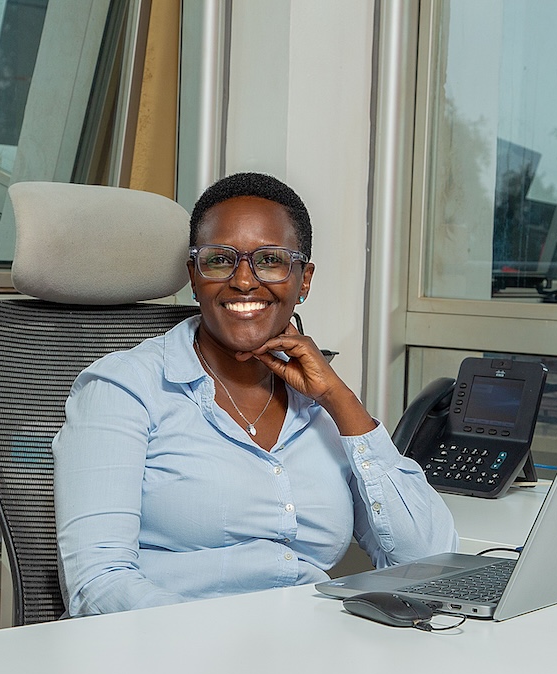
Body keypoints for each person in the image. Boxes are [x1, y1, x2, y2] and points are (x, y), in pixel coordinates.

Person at [52, 172, 457, 615]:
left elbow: (431, 565)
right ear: (194, 277)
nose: (244, 281)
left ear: (303, 280)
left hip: (311, 641)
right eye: (219, 260)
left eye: (270, 260)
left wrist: (341, 402)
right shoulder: (123, 388)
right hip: (171, 644)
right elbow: (97, 583)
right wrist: (215, 645)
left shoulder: (321, 405)